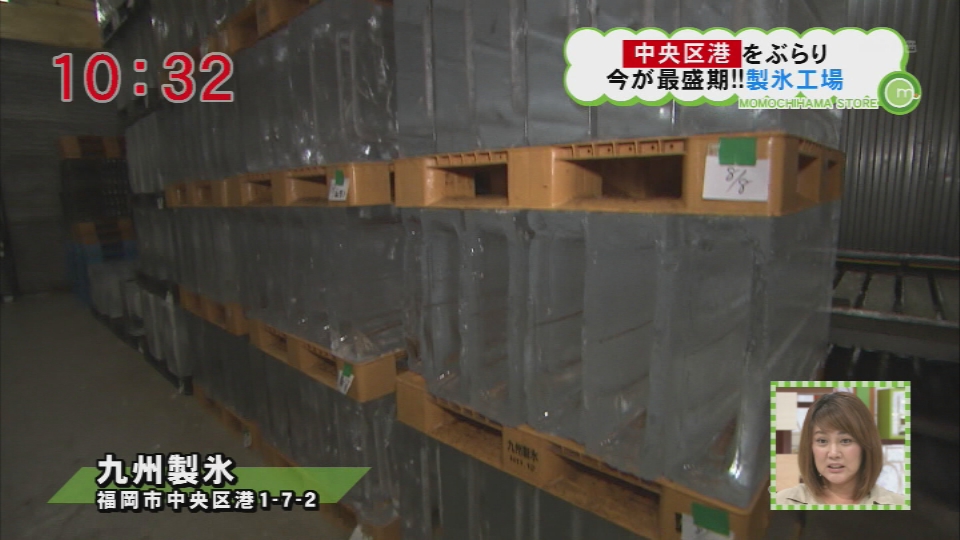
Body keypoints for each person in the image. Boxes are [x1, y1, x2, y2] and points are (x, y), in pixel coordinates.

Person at [775, 391, 905, 506]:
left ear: (865, 445)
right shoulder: (784, 501)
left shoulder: (898, 504)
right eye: (822, 441)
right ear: (810, 447)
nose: (833, 453)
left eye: (845, 441)